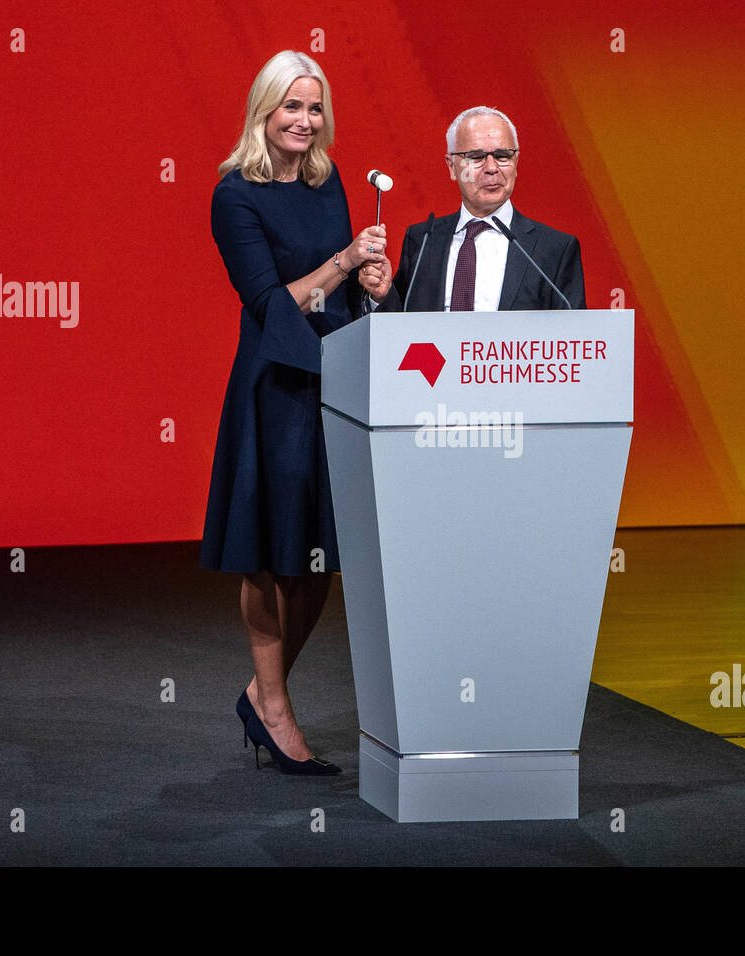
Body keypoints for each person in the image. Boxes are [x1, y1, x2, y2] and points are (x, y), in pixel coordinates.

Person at [200, 50, 391, 775]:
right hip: (275, 388)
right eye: (292, 107)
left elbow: (334, 298)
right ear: (264, 111)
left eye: (315, 109)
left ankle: (262, 692)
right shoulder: (235, 196)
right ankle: (275, 708)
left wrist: (370, 278)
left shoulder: (329, 181)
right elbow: (271, 304)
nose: (305, 122)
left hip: (333, 383)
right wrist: (344, 262)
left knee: (320, 556)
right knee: (268, 553)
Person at [373, 106, 585, 312]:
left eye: (503, 156)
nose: (492, 168)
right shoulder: (423, 239)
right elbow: (400, 329)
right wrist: (383, 296)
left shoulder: (555, 249)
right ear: (452, 166)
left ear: (516, 161)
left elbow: (574, 336)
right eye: (476, 157)